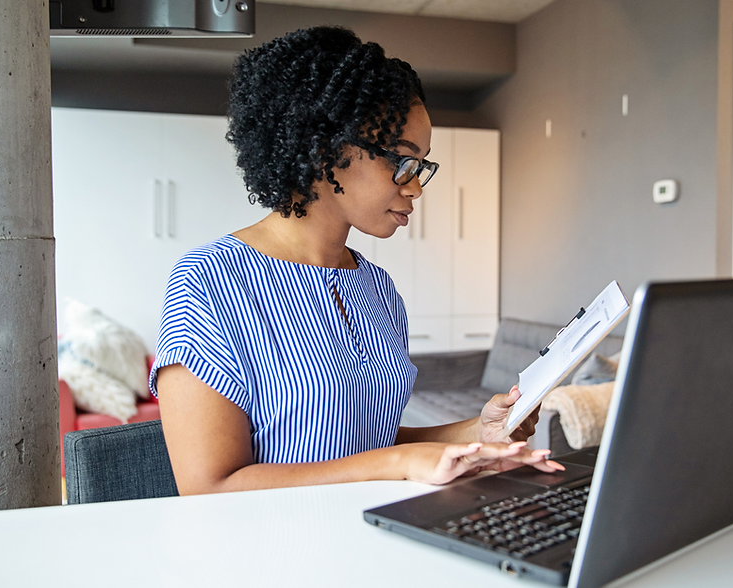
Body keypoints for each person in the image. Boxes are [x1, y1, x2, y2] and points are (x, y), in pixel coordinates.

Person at [151, 26, 563, 495]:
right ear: (325, 148)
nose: (416, 186)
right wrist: (403, 462)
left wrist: (476, 433)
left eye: (422, 165)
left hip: (378, 531)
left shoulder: (378, 288)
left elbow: (366, 446)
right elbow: (208, 487)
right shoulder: (210, 280)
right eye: (403, 162)